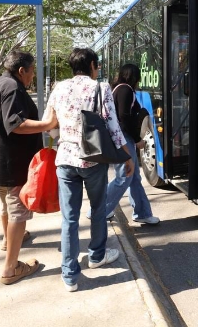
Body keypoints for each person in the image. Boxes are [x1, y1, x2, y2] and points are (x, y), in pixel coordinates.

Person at [45, 48, 134, 292]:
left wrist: (66, 136)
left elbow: (50, 126)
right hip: (93, 160)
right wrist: (126, 155)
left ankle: (70, 276)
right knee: (98, 209)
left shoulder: (59, 88)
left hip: (65, 160)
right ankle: (96, 255)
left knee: (69, 218)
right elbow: (113, 126)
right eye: (97, 65)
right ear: (93, 65)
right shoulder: (101, 88)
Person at [0, 50, 58, 285]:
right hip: (14, 163)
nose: (32, 75)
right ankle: (11, 269)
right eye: (32, 71)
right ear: (21, 70)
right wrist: (47, 124)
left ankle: (8, 240)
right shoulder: (13, 88)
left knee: (6, 206)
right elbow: (16, 124)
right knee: (18, 213)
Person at [96, 64, 160, 225]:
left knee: (134, 178)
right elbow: (124, 118)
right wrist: (137, 139)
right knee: (124, 177)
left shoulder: (119, 89)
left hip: (123, 137)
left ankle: (142, 213)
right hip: (124, 138)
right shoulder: (125, 90)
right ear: (134, 77)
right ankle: (98, 210)